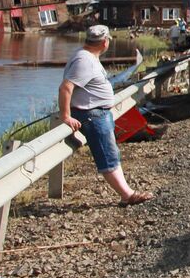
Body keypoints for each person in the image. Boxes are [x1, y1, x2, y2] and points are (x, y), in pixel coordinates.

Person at [58, 25, 154, 205]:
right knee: (107, 155)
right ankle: (127, 195)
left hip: (98, 112)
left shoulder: (87, 57)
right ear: (104, 42)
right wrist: (66, 116)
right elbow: (65, 88)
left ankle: (127, 193)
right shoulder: (84, 60)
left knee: (111, 152)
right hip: (92, 114)